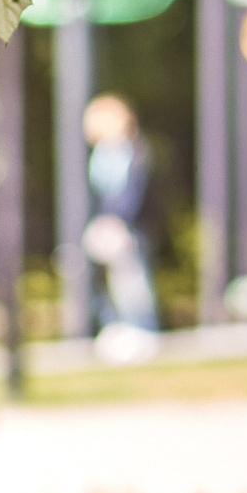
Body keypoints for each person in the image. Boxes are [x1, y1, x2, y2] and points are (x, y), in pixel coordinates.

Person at [81, 94, 158, 347]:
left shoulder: (132, 151)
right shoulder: (103, 154)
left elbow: (131, 194)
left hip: (129, 227)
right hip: (109, 225)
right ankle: (118, 327)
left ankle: (142, 330)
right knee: (110, 280)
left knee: (132, 281)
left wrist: (120, 222)